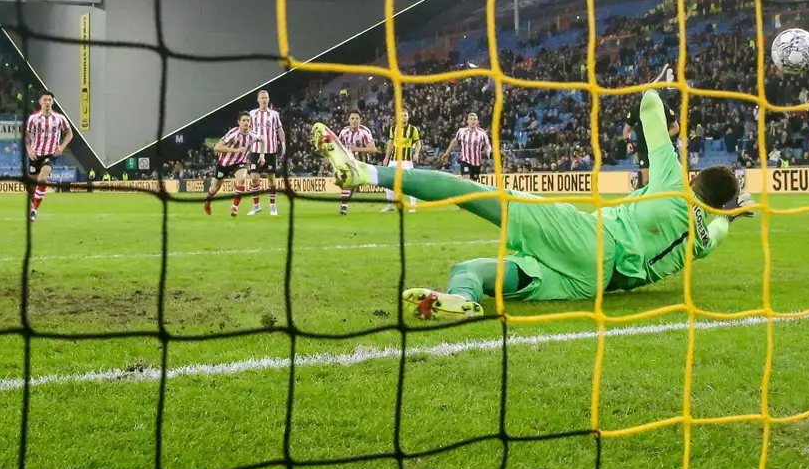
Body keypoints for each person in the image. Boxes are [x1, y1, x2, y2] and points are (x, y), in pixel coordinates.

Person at [310, 87, 748, 319]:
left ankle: (364, 173)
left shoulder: (674, 182)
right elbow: (725, 223)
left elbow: (650, 103)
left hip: (590, 240)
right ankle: (460, 301)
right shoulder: (709, 238)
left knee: (473, 194)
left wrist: (667, 111)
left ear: (694, 179)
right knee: (472, 272)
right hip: (592, 283)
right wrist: (734, 210)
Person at [24, 92, 73, 223]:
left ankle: (34, 210)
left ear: (52, 102)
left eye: (49, 100)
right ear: (40, 102)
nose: (47, 102)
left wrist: (61, 147)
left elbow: (69, 133)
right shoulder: (33, 118)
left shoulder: (59, 118)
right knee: (31, 186)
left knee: (43, 178)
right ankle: (33, 204)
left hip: (50, 154)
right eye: (44, 100)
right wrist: (29, 150)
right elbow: (26, 136)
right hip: (35, 154)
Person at [205, 112, 258, 217]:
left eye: (248, 120)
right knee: (216, 187)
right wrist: (235, 150)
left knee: (242, 179)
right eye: (243, 120)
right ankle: (207, 201)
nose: (246, 123)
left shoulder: (252, 135)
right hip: (224, 163)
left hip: (239, 163)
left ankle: (234, 207)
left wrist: (261, 156)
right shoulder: (233, 133)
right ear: (238, 122)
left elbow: (262, 139)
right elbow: (217, 147)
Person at [247, 90, 287, 217]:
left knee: (272, 180)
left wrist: (284, 143)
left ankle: (273, 206)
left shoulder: (274, 114)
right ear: (258, 100)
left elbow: (280, 130)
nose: (264, 100)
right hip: (255, 150)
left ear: (268, 99)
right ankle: (256, 206)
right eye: (262, 98)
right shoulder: (252, 114)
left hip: (270, 151)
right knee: (254, 179)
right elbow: (248, 131)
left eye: (266, 98)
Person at [336, 111, 378, 216]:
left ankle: (345, 203)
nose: (354, 121)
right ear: (349, 120)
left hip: (361, 162)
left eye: (357, 118)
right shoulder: (344, 131)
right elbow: (338, 145)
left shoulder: (365, 132)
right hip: (347, 162)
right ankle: (344, 207)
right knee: (347, 182)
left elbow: (373, 149)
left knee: (353, 185)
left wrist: (357, 149)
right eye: (352, 118)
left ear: (360, 120)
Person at [381, 115, 422, 212]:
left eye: (405, 115)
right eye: (401, 115)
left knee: (410, 182)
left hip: (406, 160)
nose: (403, 117)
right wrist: (386, 157)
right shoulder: (393, 129)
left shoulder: (413, 129)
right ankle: (390, 204)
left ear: (408, 117)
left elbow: (418, 143)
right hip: (394, 159)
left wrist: (416, 153)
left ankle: (413, 206)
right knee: (389, 181)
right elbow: (390, 143)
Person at [440, 112, 491, 179]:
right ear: (467, 121)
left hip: (477, 162)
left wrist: (488, 152)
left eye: (475, 119)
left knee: (473, 182)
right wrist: (447, 152)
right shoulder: (462, 131)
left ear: (477, 121)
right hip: (465, 160)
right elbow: (455, 141)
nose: (473, 121)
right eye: (471, 119)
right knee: (466, 179)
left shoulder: (482, 133)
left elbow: (487, 145)